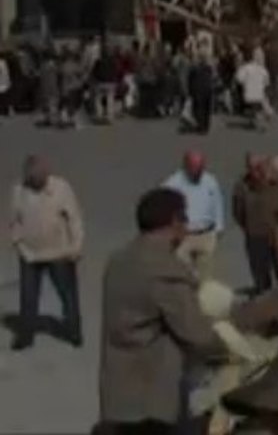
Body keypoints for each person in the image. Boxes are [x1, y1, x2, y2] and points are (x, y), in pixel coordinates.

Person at [98, 187, 227, 434]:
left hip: (118, 391)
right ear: (174, 222)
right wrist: (227, 349)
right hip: (152, 396)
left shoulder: (119, 260)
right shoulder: (164, 270)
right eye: (185, 219)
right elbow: (195, 332)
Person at [9, 155, 84, 349]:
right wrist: (17, 242)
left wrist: (76, 247)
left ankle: (74, 331)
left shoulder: (61, 189)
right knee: (28, 297)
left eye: (39, 179)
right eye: (32, 179)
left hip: (59, 252)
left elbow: (74, 219)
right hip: (30, 253)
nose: (35, 183)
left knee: (67, 295)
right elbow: (15, 220)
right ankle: (25, 336)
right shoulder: (19, 191)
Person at [232, 154, 278, 294]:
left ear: (268, 164)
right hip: (256, 237)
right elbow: (238, 213)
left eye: (260, 167)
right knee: (261, 278)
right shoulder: (242, 186)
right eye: (252, 169)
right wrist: (250, 228)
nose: (257, 172)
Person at [163, 150, 226, 281]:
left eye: (200, 167)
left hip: (206, 234)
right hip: (184, 236)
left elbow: (217, 203)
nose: (198, 172)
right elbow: (165, 209)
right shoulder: (172, 184)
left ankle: (201, 299)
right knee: (182, 273)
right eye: (194, 168)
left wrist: (219, 227)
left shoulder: (210, 181)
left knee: (205, 275)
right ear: (186, 166)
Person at [235, 50, 273, 130]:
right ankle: (262, 120)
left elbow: (239, 79)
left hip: (249, 94)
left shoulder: (246, 67)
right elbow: (267, 83)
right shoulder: (263, 70)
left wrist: (246, 83)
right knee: (262, 106)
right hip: (260, 94)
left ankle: (255, 121)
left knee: (256, 107)